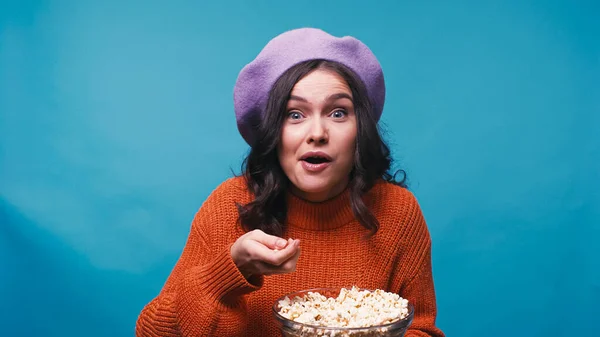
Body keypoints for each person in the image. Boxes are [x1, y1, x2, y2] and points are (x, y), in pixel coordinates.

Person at [135, 27, 444, 337]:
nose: (318, 133)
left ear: (359, 128)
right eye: (295, 114)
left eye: (338, 113)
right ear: (273, 131)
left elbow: (421, 330)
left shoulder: (398, 212)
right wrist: (232, 269)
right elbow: (150, 333)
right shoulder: (227, 207)